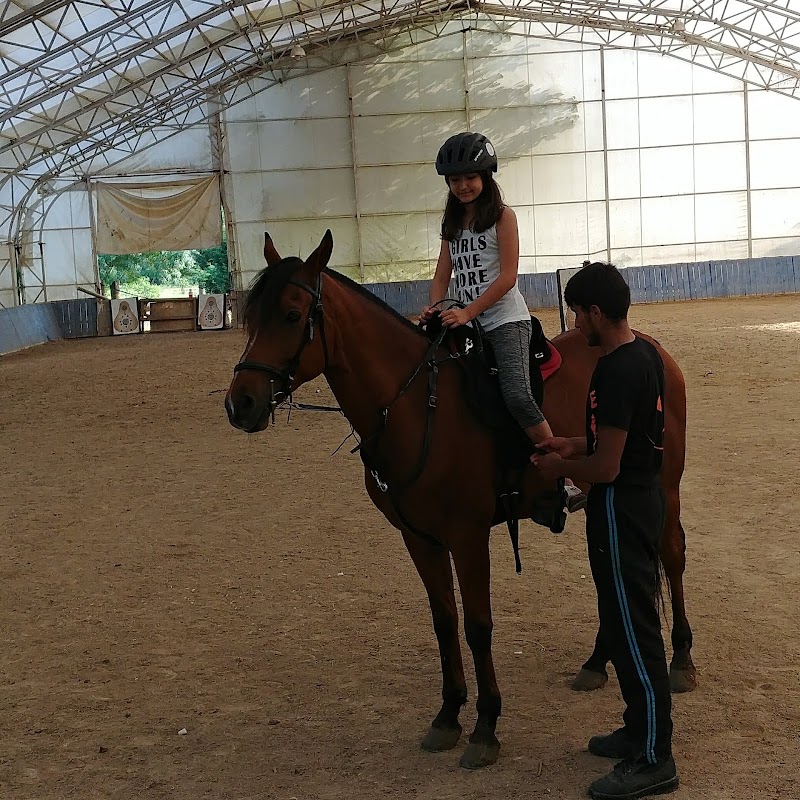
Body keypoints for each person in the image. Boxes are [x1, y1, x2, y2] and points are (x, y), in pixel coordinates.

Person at [532, 262, 679, 800]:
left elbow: (609, 467)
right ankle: (637, 730)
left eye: (577, 312)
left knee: (635, 632)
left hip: (621, 507)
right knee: (621, 626)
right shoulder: (639, 354)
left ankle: (653, 758)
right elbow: (612, 440)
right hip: (633, 502)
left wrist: (559, 470)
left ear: (595, 313)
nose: (575, 323)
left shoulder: (618, 370)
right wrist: (570, 445)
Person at [420, 131, 585, 512]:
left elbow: (507, 277)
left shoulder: (503, 217)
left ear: (486, 176)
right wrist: (436, 307)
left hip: (505, 320)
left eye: (470, 177)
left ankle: (565, 478)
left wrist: (467, 312)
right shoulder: (452, 223)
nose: (462, 186)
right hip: (464, 320)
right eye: (455, 179)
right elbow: (442, 275)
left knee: (516, 394)